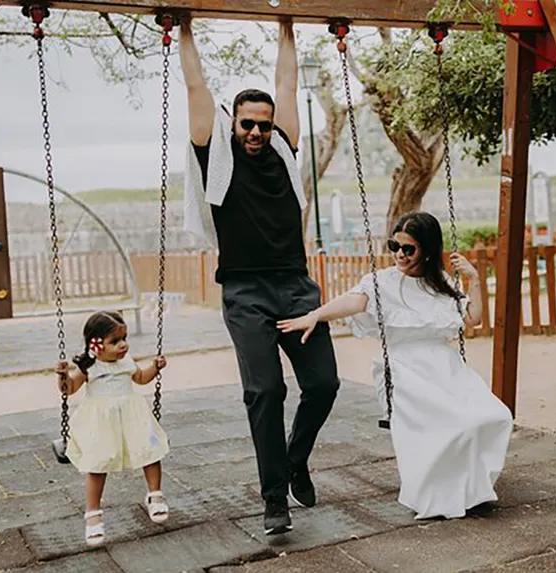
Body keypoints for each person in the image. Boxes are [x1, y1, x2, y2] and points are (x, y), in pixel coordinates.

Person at [178, 16, 340, 535]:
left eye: (263, 125)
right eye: (247, 123)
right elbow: (195, 86)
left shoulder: (285, 153)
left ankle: (295, 459)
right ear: (233, 124)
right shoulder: (217, 157)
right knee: (265, 391)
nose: (255, 132)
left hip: (295, 286)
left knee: (324, 383)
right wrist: (183, 26)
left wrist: (287, 23)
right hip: (246, 291)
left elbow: (287, 82)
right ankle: (275, 499)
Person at [277, 211, 514, 520]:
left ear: (427, 250)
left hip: (446, 367)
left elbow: (473, 319)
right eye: (394, 246)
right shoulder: (381, 282)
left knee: (493, 416)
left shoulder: (440, 283)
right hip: (405, 369)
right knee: (455, 422)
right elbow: (354, 301)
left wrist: (474, 279)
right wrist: (315, 315)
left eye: (408, 248)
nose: (399, 255)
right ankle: (439, 491)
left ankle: (469, 489)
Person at [55, 311, 170, 546]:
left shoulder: (126, 362)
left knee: (150, 452)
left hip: (132, 416)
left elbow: (141, 378)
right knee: (97, 465)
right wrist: (62, 374)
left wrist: (155, 368)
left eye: (125, 338)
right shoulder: (89, 368)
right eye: (115, 341)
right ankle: (93, 515)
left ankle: (155, 495)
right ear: (95, 344)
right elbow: (69, 389)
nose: (123, 345)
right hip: (101, 422)